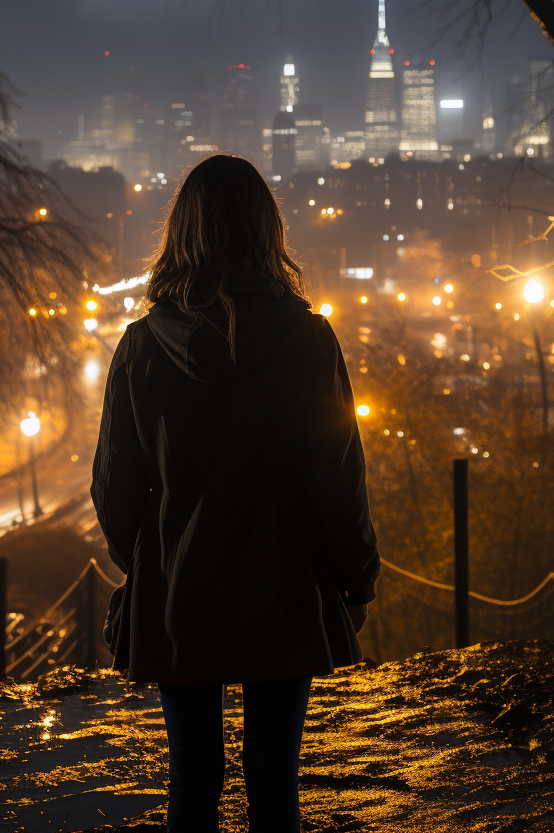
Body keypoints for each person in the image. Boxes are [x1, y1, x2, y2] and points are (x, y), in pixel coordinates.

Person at [90, 154, 380, 833]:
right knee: (274, 780)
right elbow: (338, 476)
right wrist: (355, 580)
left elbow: (114, 487)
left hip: (179, 589)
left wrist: (152, 562)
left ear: (180, 234)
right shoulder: (309, 341)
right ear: (268, 230)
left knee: (192, 777)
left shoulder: (140, 348)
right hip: (284, 581)